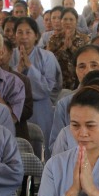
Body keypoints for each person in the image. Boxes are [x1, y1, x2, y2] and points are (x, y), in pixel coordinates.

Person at [10, 17, 62, 155]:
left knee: (42, 148)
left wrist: (30, 67)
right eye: (20, 32)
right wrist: (18, 70)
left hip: (40, 108)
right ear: (15, 35)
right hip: (14, 109)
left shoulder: (47, 56)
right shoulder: (10, 55)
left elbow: (49, 87)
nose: (24, 37)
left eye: (28, 32)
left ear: (36, 36)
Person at [47, 8, 90, 91]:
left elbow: (87, 59)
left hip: (79, 79)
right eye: (65, 19)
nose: (68, 22)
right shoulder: (53, 39)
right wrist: (63, 48)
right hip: (59, 80)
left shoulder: (85, 38)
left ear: (76, 21)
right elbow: (49, 60)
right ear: (61, 21)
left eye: (71, 19)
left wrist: (71, 48)